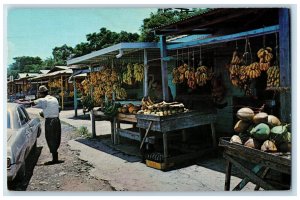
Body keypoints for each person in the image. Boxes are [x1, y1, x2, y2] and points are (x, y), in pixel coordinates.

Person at [32, 85, 61, 164]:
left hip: (50, 121)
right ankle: (56, 157)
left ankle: (54, 159)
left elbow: (32, 103)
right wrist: (49, 112)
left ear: (41, 93)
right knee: (56, 137)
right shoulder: (54, 98)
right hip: (57, 120)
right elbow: (59, 108)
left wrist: (44, 114)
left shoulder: (43, 100)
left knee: (50, 138)